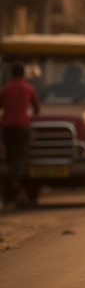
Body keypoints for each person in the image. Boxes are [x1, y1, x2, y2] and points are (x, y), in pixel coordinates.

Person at [0, 63, 40, 208]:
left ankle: (13, 187)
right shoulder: (29, 89)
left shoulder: (6, 89)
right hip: (23, 128)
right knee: (22, 158)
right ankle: (19, 187)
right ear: (23, 74)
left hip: (8, 128)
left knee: (10, 158)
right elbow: (36, 108)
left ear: (12, 74)